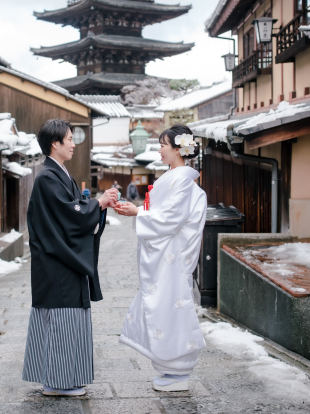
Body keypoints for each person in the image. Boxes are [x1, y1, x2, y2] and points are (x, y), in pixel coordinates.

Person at [22, 119, 119, 396]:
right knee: (61, 320)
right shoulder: (47, 178)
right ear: (55, 144)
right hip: (56, 262)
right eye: (69, 139)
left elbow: (76, 210)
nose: (74, 144)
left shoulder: (58, 174)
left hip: (64, 260)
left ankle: (65, 378)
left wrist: (97, 206)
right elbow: (69, 214)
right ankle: (56, 383)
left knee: (68, 321)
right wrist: (98, 203)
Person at [113, 124, 207, 392]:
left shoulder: (182, 180)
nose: (159, 149)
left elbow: (170, 219)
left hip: (171, 257)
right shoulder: (176, 177)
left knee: (170, 307)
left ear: (179, 149)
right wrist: (140, 213)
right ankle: (171, 369)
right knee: (165, 306)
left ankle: (179, 371)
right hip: (167, 255)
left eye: (163, 145)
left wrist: (138, 214)